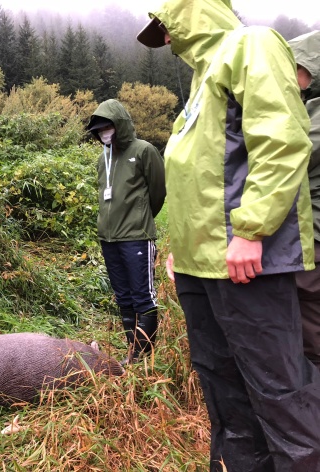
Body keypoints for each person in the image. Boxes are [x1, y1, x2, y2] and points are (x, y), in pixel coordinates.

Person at [137, 0, 320, 470]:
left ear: (188, 14)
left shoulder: (251, 44)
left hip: (245, 264)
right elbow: (198, 179)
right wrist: (181, 250)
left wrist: (253, 229)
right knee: (225, 390)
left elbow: (281, 139)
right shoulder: (201, 83)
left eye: (167, 28)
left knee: (279, 390)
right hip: (202, 268)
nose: (167, 41)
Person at [86, 99, 166, 364]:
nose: (103, 134)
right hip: (109, 239)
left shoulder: (144, 150)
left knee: (143, 297)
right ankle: (132, 356)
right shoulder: (102, 158)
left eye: (107, 128)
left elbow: (158, 192)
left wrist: (140, 218)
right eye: (99, 131)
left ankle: (145, 360)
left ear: (119, 125)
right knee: (124, 298)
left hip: (136, 237)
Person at [290, 31, 320, 368]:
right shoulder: (308, 106)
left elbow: (294, 152)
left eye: (297, 68)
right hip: (305, 231)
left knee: (311, 333)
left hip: (315, 232)